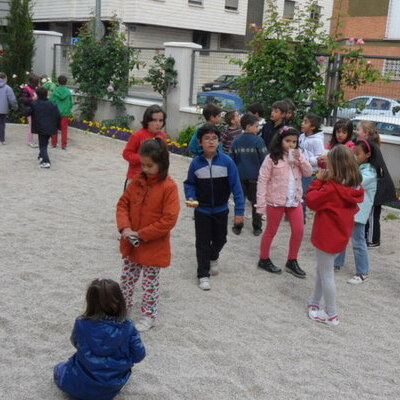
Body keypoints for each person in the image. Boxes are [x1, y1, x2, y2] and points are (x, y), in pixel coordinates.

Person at [117, 137, 180, 331]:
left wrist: (142, 234)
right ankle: (122, 309)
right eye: (142, 164)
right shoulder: (137, 182)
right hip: (132, 242)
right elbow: (123, 204)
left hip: (153, 245)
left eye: (149, 165)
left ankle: (148, 315)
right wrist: (125, 228)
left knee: (150, 283)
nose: (144, 169)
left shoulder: (169, 187)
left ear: (162, 165)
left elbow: (169, 219)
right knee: (127, 278)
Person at [53, 278, 146, 400]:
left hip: (79, 383)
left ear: (90, 301)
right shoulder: (128, 327)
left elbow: (75, 342)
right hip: (112, 385)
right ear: (120, 301)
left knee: (59, 368)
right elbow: (139, 355)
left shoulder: (81, 323)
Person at [306, 145, 364, 326]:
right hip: (339, 235)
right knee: (323, 271)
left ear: (335, 165)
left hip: (327, 235)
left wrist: (318, 180)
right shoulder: (351, 186)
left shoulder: (332, 188)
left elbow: (311, 201)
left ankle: (331, 313)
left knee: (326, 274)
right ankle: (315, 302)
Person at [184, 123, 245, 291]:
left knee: (221, 239)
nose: (211, 142)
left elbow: (237, 188)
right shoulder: (196, 163)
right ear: (200, 142)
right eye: (207, 139)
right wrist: (191, 197)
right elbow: (190, 184)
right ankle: (203, 274)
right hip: (202, 210)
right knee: (202, 242)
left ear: (219, 141)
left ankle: (213, 256)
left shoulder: (227, 162)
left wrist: (239, 212)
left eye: (214, 138)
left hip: (221, 210)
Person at [256, 126, 312, 277]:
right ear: (280, 141)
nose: (291, 144)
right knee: (271, 230)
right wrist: (261, 204)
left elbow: (308, 173)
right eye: (288, 141)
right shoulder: (271, 158)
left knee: (299, 230)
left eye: (294, 141)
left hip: (294, 200)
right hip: (276, 200)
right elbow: (262, 180)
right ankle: (264, 258)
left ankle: (292, 260)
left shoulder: (296, 156)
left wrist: (300, 159)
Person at [334, 139, 378, 284]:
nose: (354, 157)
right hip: (350, 209)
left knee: (358, 241)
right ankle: (337, 263)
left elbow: (353, 183)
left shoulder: (370, 171)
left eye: (357, 154)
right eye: (353, 154)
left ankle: (363, 272)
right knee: (342, 235)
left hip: (359, 212)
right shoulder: (359, 167)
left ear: (368, 154)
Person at [355, 121, 396, 248]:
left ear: (366, 133)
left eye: (358, 129)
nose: (356, 132)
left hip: (379, 187)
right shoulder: (368, 146)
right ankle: (369, 236)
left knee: (373, 215)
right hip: (376, 185)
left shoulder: (371, 148)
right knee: (370, 213)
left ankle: (373, 240)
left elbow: (376, 169)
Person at [230, 113, 267, 236]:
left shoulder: (236, 141)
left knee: (239, 201)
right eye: (256, 126)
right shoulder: (259, 141)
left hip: (239, 177)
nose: (258, 129)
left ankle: (237, 225)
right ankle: (257, 227)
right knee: (256, 202)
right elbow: (264, 160)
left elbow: (232, 159)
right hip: (255, 178)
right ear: (249, 126)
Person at [122, 104, 167, 189]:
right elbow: (126, 154)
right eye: (154, 120)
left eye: (161, 120)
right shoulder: (137, 136)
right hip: (136, 178)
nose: (158, 124)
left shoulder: (163, 136)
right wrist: (144, 158)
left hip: (154, 179)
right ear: (147, 121)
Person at [298, 113, 325, 222]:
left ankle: (301, 216)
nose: (302, 124)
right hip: (299, 168)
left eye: (305, 122)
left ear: (312, 127)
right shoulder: (301, 136)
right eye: (303, 121)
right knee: (297, 191)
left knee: (303, 194)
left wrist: (307, 161)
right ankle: (295, 213)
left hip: (310, 172)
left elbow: (320, 157)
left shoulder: (317, 140)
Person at [25, 87, 60, 168]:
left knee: (43, 145)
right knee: (45, 142)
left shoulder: (34, 104)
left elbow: (26, 113)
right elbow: (58, 115)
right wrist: (57, 126)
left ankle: (46, 161)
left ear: (37, 95)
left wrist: (30, 102)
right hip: (51, 127)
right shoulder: (53, 104)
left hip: (40, 126)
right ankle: (41, 155)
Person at [50, 75, 73, 149]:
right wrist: (68, 109)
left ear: (58, 82)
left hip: (55, 112)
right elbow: (71, 103)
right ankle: (64, 145)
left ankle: (54, 144)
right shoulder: (68, 92)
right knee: (64, 129)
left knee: (54, 128)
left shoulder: (55, 91)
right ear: (66, 82)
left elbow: (51, 102)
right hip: (65, 113)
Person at [20, 74, 39, 147]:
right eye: (35, 83)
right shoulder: (26, 89)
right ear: (31, 82)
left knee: (33, 125)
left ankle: (31, 140)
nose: (36, 85)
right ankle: (30, 141)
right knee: (31, 126)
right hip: (29, 109)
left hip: (34, 109)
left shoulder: (35, 88)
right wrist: (32, 99)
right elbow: (23, 99)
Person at [0, 72, 18, 145]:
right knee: (1, 124)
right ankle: (2, 139)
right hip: (3, 109)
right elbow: (12, 100)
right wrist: (15, 107)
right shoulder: (8, 88)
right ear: (5, 78)